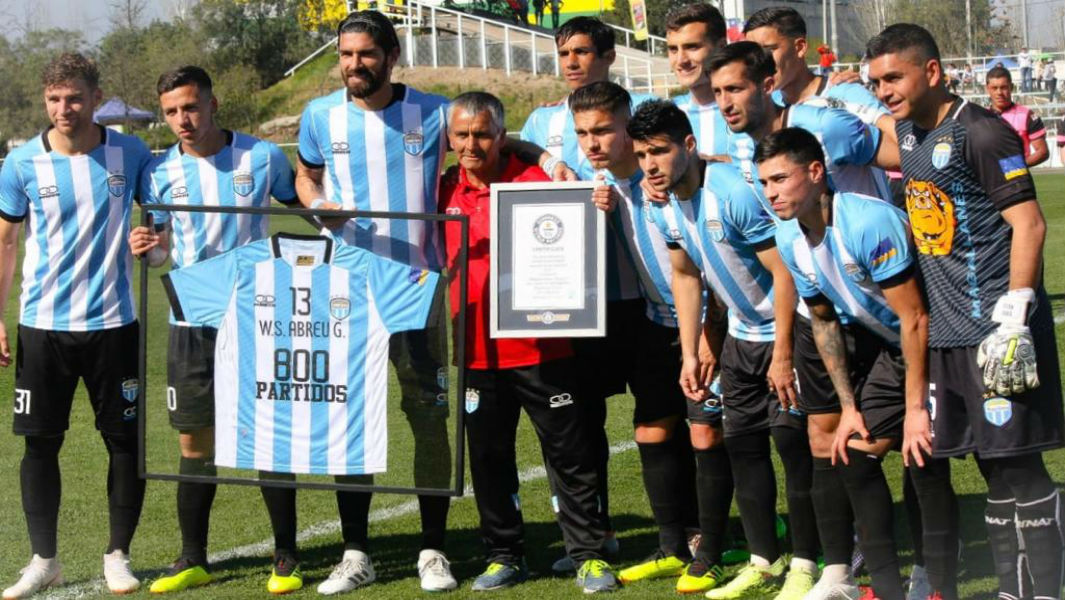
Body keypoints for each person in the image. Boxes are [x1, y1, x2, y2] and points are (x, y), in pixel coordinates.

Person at [867, 23, 1065, 600]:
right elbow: (858, 140)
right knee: (989, 465)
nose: (884, 90)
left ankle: (1045, 593)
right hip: (947, 335)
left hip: (996, 331)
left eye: (894, 77)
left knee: (1019, 467)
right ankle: (1013, 590)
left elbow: (1029, 224)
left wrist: (1014, 317)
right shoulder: (909, 132)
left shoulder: (981, 132)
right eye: (876, 81)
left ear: (931, 72)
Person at [756, 127, 959, 600]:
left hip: (942, 344)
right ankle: (887, 590)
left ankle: (938, 587)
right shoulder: (787, 237)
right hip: (892, 348)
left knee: (923, 455)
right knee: (852, 454)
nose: (771, 192)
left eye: (780, 179)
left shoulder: (868, 222)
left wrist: (915, 409)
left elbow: (916, 318)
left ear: (815, 172)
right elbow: (824, 320)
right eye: (764, 182)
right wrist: (849, 408)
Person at [292, 11, 457, 594]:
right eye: (345, 54)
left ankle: (433, 549)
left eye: (365, 53)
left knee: (429, 417)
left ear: (391, 56)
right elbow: (306, 176)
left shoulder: (436, 113)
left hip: (417, 290)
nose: (354, 64)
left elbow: (490, 145)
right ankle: (355, 552)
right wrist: (317, 205)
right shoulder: (319, 115)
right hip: (346, 293)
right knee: (349, 419)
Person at [125, 66, 299, 594]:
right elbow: (162, 253)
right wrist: (148, 251)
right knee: (194, 440)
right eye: (172, 111)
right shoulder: (157, 173)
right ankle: (192, 558)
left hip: (256, 319)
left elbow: (306, 210)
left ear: (213, 103)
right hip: (191, 322)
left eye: (191, 106)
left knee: (268, 436)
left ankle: (286, 557)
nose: (183, 119)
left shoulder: (262, 157)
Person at [438, 91, 618, 593]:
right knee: (489, 459)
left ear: (501, 135)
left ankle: (587, 554)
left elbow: (579, 226)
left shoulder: (538, 181)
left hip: (544, 347)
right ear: (449, 138)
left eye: (482, 134)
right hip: (476, 350)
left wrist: (592, 202)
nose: (471, 144)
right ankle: (504, 555)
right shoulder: (442, 187)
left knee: (569, 454)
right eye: (461, 135)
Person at [631, 99, 811, 600]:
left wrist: (784, 352)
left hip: (788, 333)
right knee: (744, 448)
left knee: (794, 447)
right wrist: (691, 352)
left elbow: (783, 273)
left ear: (689, 145)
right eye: (642, 154)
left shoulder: (731, 193)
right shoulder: (661, 203)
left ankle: (808, 559)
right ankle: (764, 561)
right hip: (739, 339)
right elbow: (686, 276)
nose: (650, 164)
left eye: (659, 151)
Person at [0, 52, 151, 599]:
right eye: (54, 99)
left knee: (123, 441)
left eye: (74, 98)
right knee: (40, 444)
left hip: (114, 323)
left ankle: (117, 555)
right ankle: (44, 561)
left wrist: (154, 248)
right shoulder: (21, 164)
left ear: (96, 98)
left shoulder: (130, 153)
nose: (64, 109)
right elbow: (6, 243)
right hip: (42, 327)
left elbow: (159, 230)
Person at [521, 16, 656, 573]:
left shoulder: (642, 110)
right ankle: (594, 531)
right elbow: (515, 150)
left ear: (608, 56)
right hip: (577, 301)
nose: (572, 62)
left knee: (662, 419)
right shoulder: (542, 120)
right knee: (580, 425)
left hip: (646, 298)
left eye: (581, 51)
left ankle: (689, 528)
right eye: (564, 53)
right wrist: (548, 162)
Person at [570, 81, 711, 593]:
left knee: (718, 433)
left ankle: (730, 538)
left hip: (710, 322)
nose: (593, 143)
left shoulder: (664, 176)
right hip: (656, 322)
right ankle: (675, 544)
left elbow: (707, 169)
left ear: (627, 127)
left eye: (604, 130)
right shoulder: (599, 184)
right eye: (583, 133)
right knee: (653, 430)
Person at [710, 41, 899, 216]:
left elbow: (906, 159)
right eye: (717, 92)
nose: (724, 104)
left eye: (734, 89)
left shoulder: (824, 125)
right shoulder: (739, 147)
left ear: (767, 86)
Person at [664, 2, 731, 157]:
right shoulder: (667, 115)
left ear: (721, 47)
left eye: (692, 47)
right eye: (673, 49)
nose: (681, 60)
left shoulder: (756, 107)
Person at [985, 66, 1049, 167]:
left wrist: (1015, 168)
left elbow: (1042, 152)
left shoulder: (1027, 115)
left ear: (1011, 87)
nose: (999, 92)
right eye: (994, 88)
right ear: (987, 89)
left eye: (1003, 87)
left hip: (1018, 176)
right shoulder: (980, 116)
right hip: (989, 176)